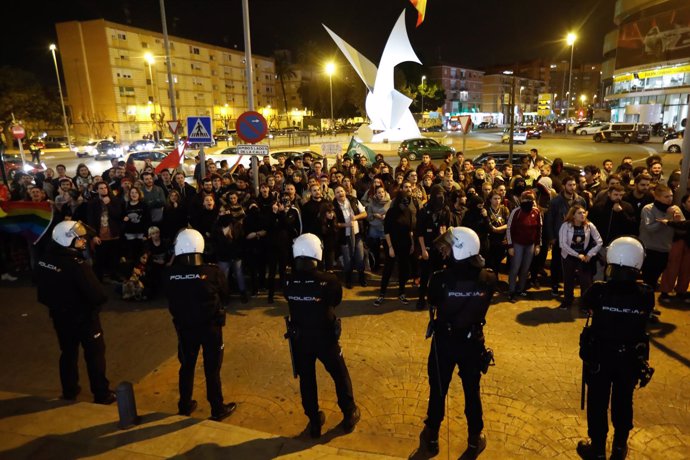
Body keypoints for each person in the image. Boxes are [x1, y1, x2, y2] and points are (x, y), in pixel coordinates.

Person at [419, 227, 496, 458]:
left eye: (450, 247)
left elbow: (432, 300)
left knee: (438, 389)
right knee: (472, 390)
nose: (446, 251)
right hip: (472, 342)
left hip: (444, 341)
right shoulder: (489, 278)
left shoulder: (440, 279)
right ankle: (474, 438)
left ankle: (432, 435)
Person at [578, 237, 655, 460]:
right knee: (623, 401)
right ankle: (619, 448)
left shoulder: (598, 291)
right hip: (629, 358)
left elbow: (586, 305)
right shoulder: (646, 293)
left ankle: (598, 449)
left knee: (598, 402)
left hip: (601, 356)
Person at [284, 233, 360, 438]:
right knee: (339, 374)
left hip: (300, 339)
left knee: (307, 379)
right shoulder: (329, 280)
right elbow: (335, 301)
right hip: (325, 338)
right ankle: (349, 412)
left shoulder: (289, 281)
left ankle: (314, 420)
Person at [36, 220, 116, 404]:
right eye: (79, 238)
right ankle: (101, 393)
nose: (83, 241)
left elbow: (40, 288)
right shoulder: (76, 264)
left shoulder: (44, 259)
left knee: (68, 353)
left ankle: (70, 389)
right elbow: (97, 294)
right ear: (66, 240)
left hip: (59, 316)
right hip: (84, 318)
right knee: (95, 355)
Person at [164, 229, 237, 421]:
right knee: (212, 369)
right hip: (210, 328)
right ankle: (217, 408)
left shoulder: (170, 273)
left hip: (185, 329)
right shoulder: (212, 272)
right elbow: (226, 295)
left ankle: (185, 404)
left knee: (187, 366)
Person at [557, 205, 603, 310]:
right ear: (573, 215)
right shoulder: (566, 226)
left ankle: (585, 305)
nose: (582, 215)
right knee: (568, 279)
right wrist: (577, 255)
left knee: (585, 281)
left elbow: (599, 241)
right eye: (579, 213)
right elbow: (563, 244)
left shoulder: (589, 225)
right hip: (569, 256)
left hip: (584, 256)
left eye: (583, 212)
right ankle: (567, 300)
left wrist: (590, 254)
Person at [506, 190, 542, 302]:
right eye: (526, 199)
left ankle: (520, 289)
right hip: (518, 244)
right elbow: (509, 229)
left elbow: (539, 229)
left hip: (530, 245)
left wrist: (537, 245)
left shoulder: (536, 212)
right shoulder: (516, 212)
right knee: (515, 268)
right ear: (521, 200)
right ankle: (511, 291)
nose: (528, 201)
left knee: (526, 268)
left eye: (530, 199)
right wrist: (510, 246)